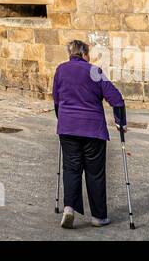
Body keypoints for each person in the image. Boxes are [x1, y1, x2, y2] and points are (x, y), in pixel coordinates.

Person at [52, 39, 126, 229]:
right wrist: (120, 121)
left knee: (71, 168)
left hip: (68, 127)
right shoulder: (94, 71)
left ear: (70, 54)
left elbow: (57, 100)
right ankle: (98, 217)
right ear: (85, 54)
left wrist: (62, 120)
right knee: (95, 173)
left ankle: (69, 207)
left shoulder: (61, 70)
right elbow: (117, 99)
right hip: (93, 130)